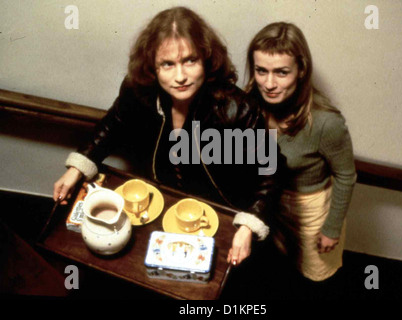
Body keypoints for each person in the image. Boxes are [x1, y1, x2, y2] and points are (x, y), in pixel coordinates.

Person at [53, 7, 281, 265]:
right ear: (153, 67)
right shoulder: (137, 90)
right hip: (158, 205)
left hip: (221, 215)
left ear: (206, 59)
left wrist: (249, 224)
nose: (180, 76)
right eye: (168, 64)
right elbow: (113, 124)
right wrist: (78, 166)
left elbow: (270, 171)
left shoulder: (238, 109)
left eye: (190, 61)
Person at [244, 22, 357, 289]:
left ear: (301, 70)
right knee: (281, 266)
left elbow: (345, 175)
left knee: (315, 273)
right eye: (261, 71)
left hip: (310, 208)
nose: (269, 83)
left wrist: (331, 228)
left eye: (282, 72)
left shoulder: (326, 122)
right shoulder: (249, 104)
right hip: (272, 202)